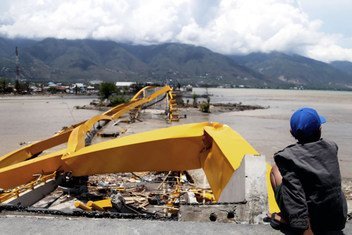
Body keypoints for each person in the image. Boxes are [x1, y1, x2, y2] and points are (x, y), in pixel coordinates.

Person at [270, 107, 347, 234]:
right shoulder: (332, 147)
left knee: (275, 171)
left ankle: (287, 217)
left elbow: (295, 194)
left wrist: (303, 228)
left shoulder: (287, 157)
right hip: (336, 218)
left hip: (311, 222)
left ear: (292, 132)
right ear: (320, 129)